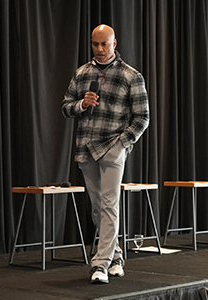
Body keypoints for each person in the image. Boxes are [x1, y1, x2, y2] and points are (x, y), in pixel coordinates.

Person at [61, 24, 150, 284]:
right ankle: (117, 255)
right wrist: (81, 104)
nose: (99, 49)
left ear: (114, 43)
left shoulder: (131, 75)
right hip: (86, 148)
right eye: (94, 44)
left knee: (110, 204)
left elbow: (142, 117)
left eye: (104, 44)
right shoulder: (82, 73)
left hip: (113, 147)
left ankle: (99, 264)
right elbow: (65, 107)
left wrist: (122, 143)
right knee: (98, 207)